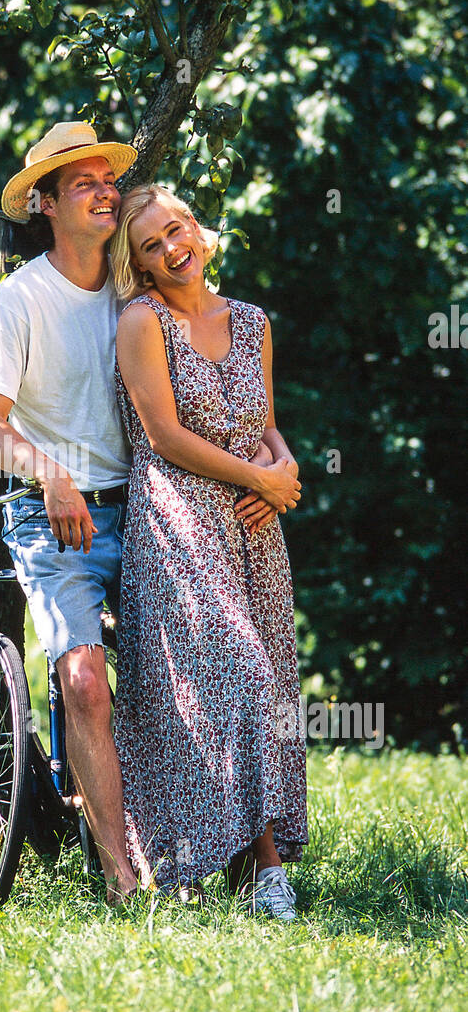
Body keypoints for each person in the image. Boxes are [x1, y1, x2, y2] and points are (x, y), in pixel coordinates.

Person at [110, 183, 308, 920]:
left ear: (200, 232)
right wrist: (260, 473)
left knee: (267, 681)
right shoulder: (142, 322)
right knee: (238, 677)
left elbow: (264, 422)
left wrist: (282, 472)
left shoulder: (252, 320)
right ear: (142, 266)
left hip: (255, 523)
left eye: (178, 229)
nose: (173, 247)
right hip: (178, 520)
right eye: (153, 245)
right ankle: (265, 873)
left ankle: (235, 858)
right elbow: (163, 435)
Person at [0, 120, 140, 905]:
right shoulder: (21, 298)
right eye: (84, 184)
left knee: (188, 674)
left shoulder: (138, 289)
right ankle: (119, 879)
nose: (106, 193)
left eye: (110, 181)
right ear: (45, 205)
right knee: (84, 681)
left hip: (144, 513)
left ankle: (212, 855)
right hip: (50, 518)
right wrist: (52, 476)